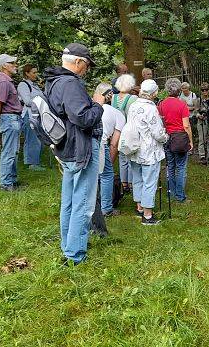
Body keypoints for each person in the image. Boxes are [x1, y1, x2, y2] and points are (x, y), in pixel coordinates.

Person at [44, 43, 104, 266]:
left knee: (69, 200)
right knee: (83, 203)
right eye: (86, 64)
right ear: (78, 61)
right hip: (80, 149)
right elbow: (84, 118)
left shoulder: (54, 81)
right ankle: (75, 254)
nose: (86, 69)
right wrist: (98, 105)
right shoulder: (70, 83)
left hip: (67, 147)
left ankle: (68, 245)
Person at [127, 79, 168, 225]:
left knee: (137, 179)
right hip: (149, 151)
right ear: (153, 93)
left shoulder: (133, 105)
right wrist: (165, 137)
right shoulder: (151, 109)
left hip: (134, 148)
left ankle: (139, 207)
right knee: (149, 181)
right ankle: (148, 215)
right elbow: (157, 133)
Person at [158, 78, 193, 203]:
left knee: (170, 166)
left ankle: (171, 193)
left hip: (167, 137)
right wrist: (190, 141)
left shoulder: (161, 104)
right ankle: (180, 196)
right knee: (181, 167)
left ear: (167, 90)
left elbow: (160, 122)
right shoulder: (182, 104)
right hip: (180, 138)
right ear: (179, 91)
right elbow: (186, 125)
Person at [0, 54, 23, 191]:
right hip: (9, 119)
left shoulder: (6, 80)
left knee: (13, 152)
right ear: (4, 65)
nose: (15, 65)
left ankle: (12, 181)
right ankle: (6, 184)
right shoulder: (3, 82)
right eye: (12, 63)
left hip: (12, 119)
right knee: (9, 153)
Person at [94, 83, 125, 218]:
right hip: (101, 143)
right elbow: (114, 144)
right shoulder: (117, 114)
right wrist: (110, 163)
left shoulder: (89, 107)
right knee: (107, 174)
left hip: (86, 142)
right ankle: (106, 208)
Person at [17, 63, 45, 171]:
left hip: (38, 115)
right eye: (34, 72)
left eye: (36, 72)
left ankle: (36, 161)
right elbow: (27, 101)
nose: (36, 74)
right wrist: (40, 102)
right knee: (32, 138)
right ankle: (32, 164)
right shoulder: (23, 85)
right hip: (29, 115)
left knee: (39, 138)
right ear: (27, 73)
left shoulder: (35, 85)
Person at [113, 74, 138, 192]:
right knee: (131, 157)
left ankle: (124, 184)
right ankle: (132, 183)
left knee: (122, 158)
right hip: (129, 131)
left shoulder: (113, 98)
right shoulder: (133, 99)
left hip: (116, 132)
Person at [194, 82, 209, 165]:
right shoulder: (198, 100)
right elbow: (195, 112)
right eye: (203, 90)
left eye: (206, 90)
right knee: (202, 139)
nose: (204, 92)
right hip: (202, 122)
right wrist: (199, 116)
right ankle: (202, 156)